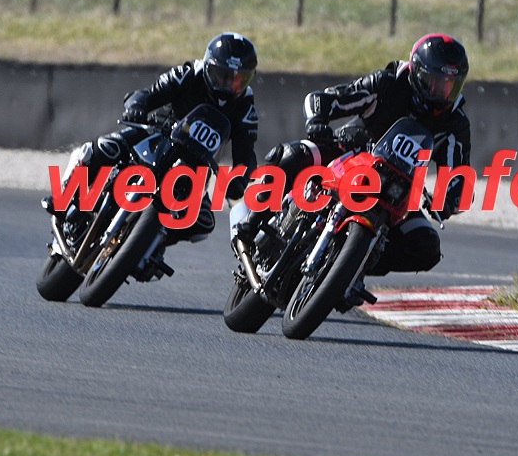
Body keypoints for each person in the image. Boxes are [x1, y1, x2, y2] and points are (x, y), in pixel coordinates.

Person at [237, 32, 471, 284]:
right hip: (349, 153)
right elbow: (328, 98)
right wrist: (318, 121)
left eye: (450, 85)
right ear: (416, 72)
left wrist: (449, 199)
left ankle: (351, 269)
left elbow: (459, 177)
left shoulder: (455, 122)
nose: (441, 92)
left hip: (397, 189)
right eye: (434, 81)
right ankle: (251, 223)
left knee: (426, 247)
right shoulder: (388, 83)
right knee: (291, 155)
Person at [45, 31, 260, 246]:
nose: (228, 84)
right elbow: (147, 94)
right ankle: (65, 196)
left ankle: (152, 244)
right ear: (207, 66)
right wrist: (137, 107)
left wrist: (240, 179)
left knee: (202, 221)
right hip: (157, 136)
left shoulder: (245, 108)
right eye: (222, 75)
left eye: (237, 79)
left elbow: (246, 154)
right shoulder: (188, 74)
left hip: (195, 169)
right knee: (102, 149)